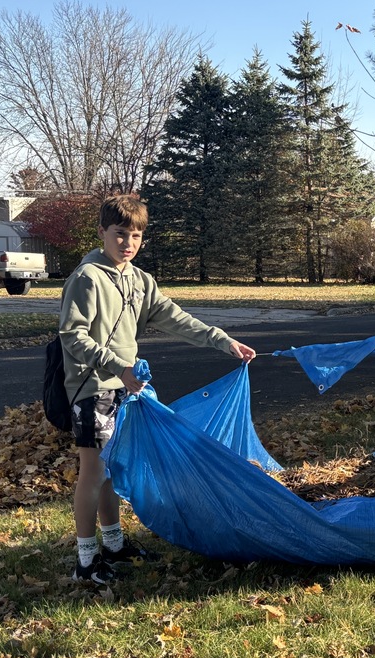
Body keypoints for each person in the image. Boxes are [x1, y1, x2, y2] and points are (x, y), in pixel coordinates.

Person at [59, 195, 257, 584]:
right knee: (93, 472)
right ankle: (85, 559)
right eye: (120, 235)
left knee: (113, 470)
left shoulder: (139, 280)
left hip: (125, 387)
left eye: (135, 236)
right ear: (102, 233)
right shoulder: (87, 278)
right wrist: (119, 365)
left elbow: (176, 319)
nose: (128, 243)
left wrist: (223, 340)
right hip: (93, 386)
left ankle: (114, 545)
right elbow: (72, 336)